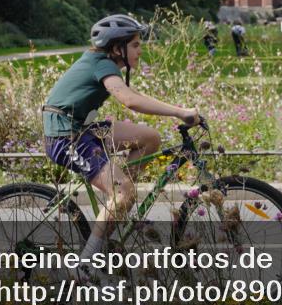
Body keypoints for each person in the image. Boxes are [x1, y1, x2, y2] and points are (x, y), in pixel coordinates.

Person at [42, 14, 199, 279]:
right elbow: (129, 100)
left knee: (150, 138)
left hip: (81, 129)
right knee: (124, 191)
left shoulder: (103, 62)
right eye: (136, 45)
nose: (140, 50)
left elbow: (134, 97)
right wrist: (180, 112)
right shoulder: (102, 64)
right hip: (65, 137)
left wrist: (177, 111)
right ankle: (85, 264)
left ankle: (117, 205)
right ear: (117, 48)